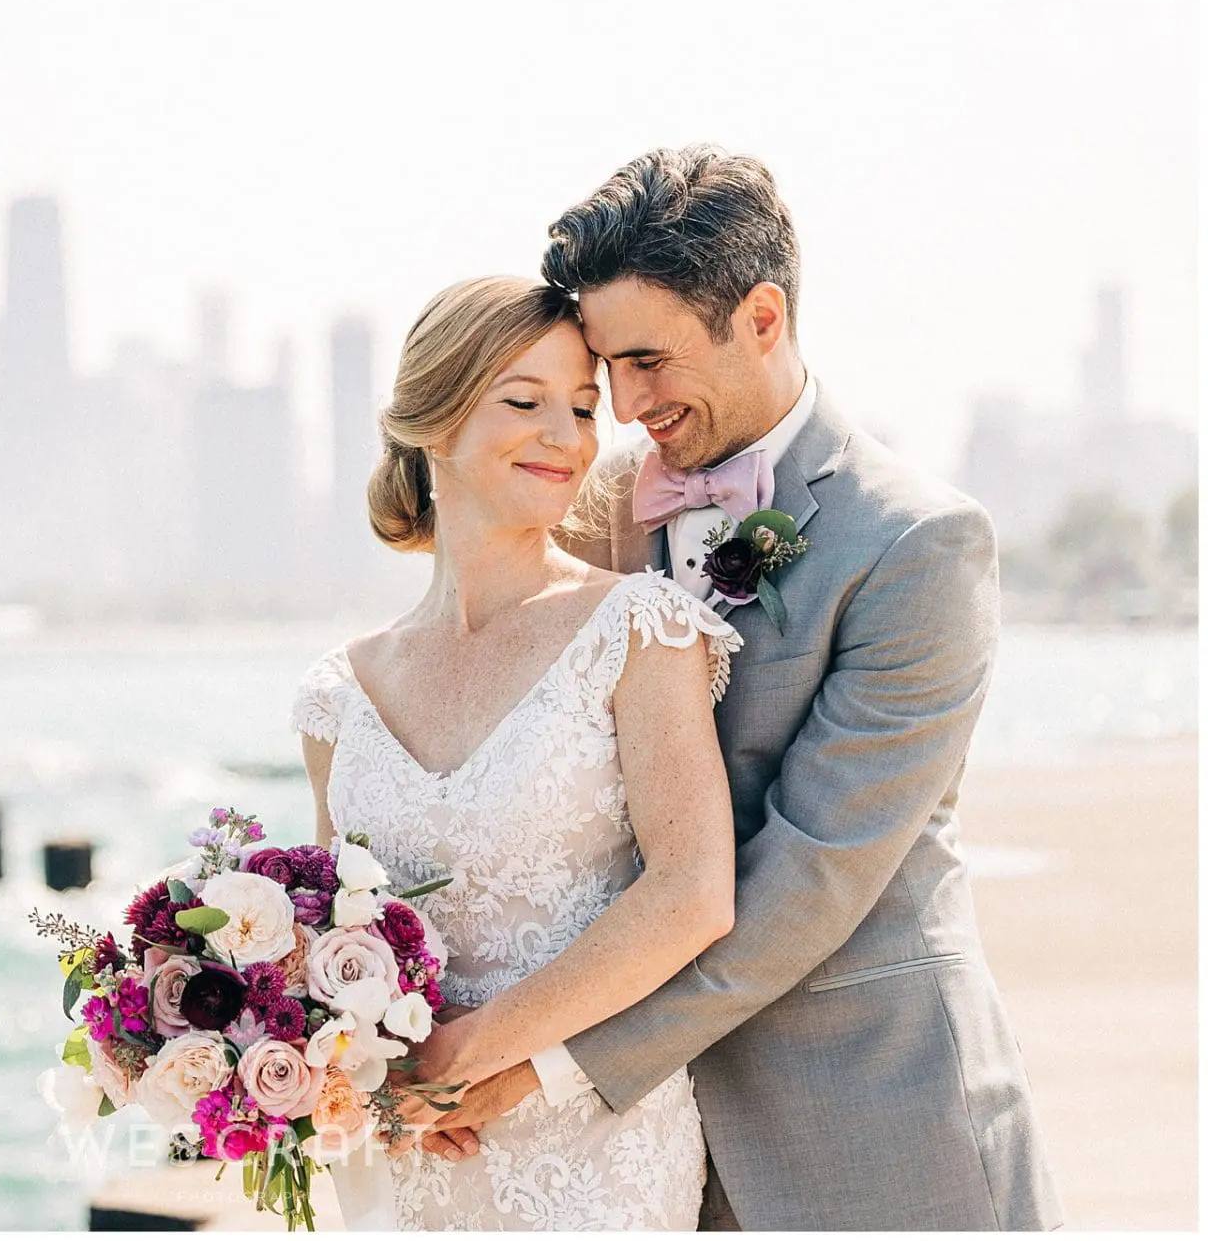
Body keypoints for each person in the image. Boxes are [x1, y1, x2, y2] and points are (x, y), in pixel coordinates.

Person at [415, 145, 1063, 1230]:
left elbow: (809, 874)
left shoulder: (918, 545)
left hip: (878, 1132)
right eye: (605, 366)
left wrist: (547, 1055)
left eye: (650, 361)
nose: (624, 404)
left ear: (762, 318)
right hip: (654, 1161)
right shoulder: (612, 507)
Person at [291, 275, 745, 1229]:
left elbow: (694, 891)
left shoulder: (640, 629)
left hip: (593, 1153)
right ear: (435, 420)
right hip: (407, 1158)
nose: (568, 437)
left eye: (583, 409)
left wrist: (478, 1057)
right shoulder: (340, 694)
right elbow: (332, 936)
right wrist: (359, 1068)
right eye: (525, 401)